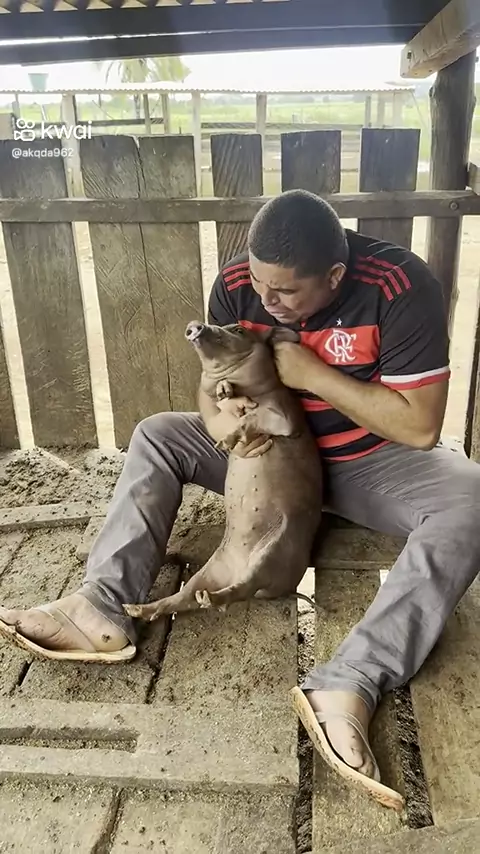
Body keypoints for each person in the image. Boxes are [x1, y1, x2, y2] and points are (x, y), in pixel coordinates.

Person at [1, 189, 479, 800]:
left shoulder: (399, 287)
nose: (265, 299)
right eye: (258, 283)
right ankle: (103, 607)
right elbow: (216, 386)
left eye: (284, 291)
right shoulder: (237, 283)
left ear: (335, 276)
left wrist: (312, 375)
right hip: (266, 461)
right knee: (158, 433)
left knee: (472, 497)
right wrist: (222, 422)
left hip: (367, 463)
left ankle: (352, 679)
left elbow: (419, 427)